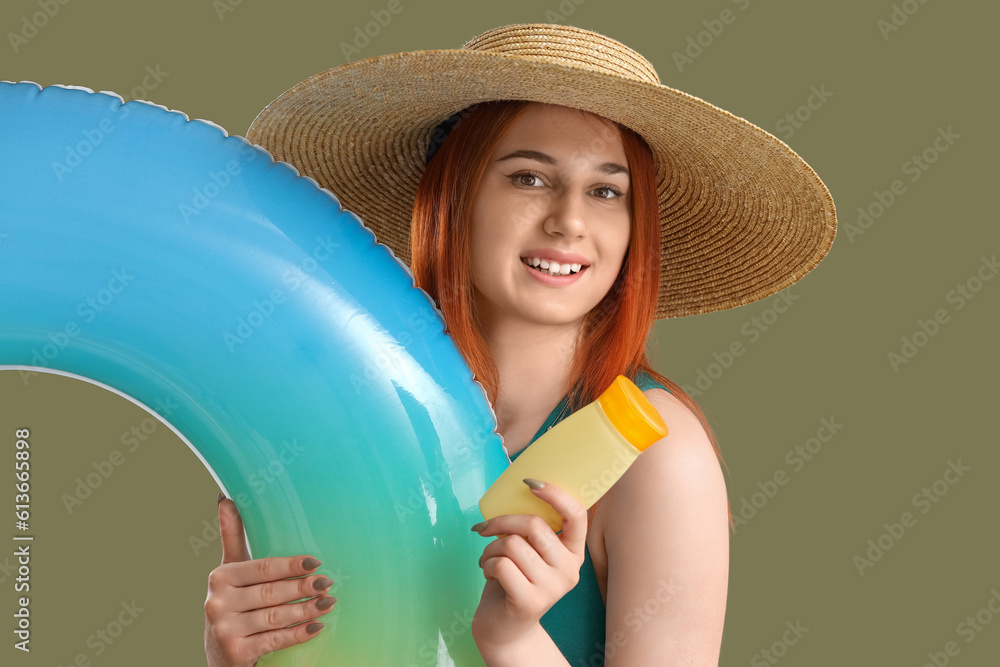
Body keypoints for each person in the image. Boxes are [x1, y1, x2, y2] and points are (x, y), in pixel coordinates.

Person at [203, 23, 836, 666]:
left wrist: (514, 639)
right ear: (452, 196)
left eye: (607, 191)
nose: (569, 220)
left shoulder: (656, 454)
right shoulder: (353, 412)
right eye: (530, 178)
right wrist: (243, 656)